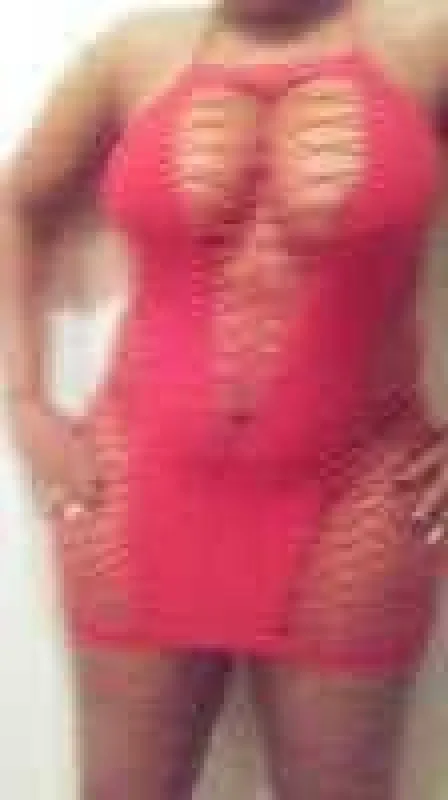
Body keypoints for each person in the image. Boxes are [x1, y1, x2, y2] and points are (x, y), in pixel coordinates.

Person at [1, 0, 448, 797]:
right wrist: (24, 398)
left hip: (357, 503)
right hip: (132, 495)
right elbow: (17, 202)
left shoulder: (426, 40)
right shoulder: (133, 53)